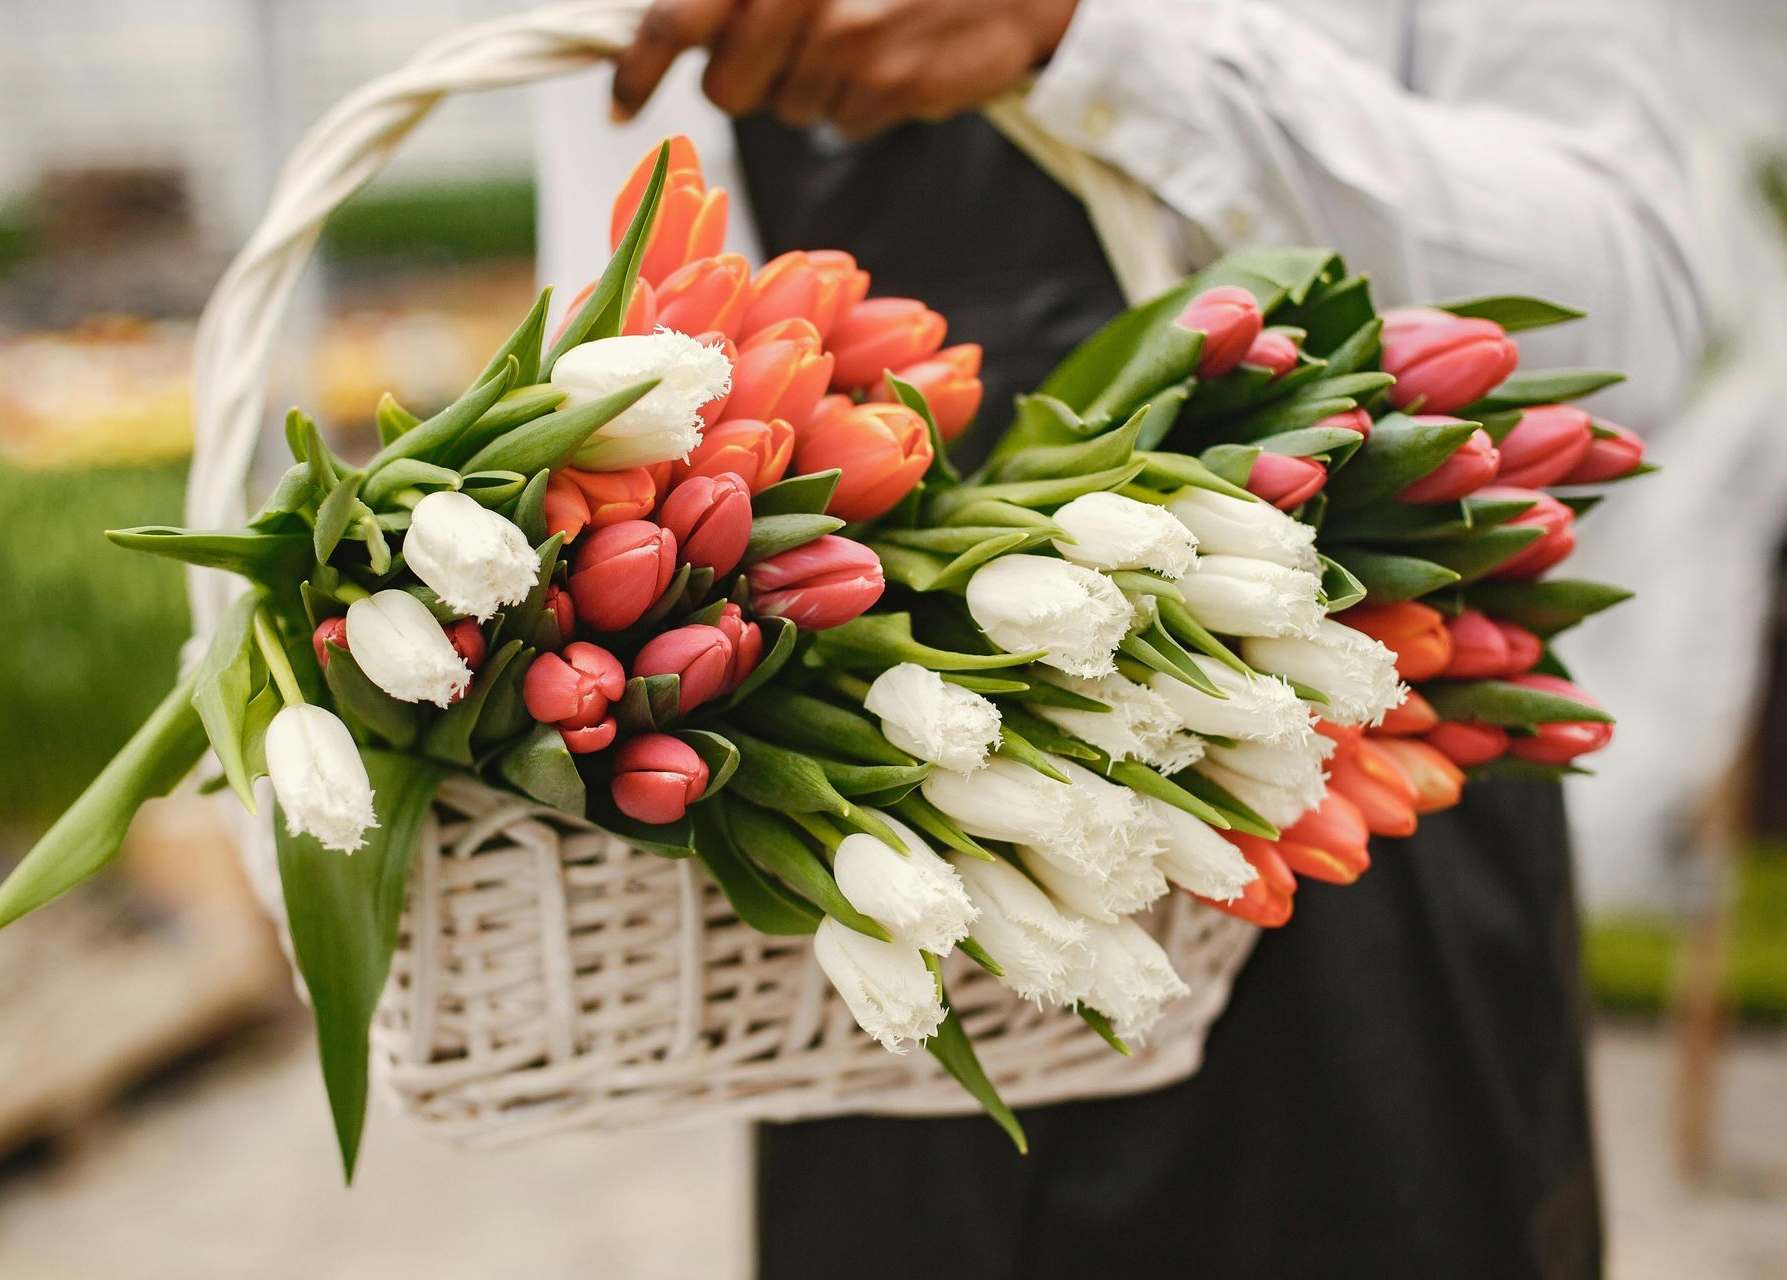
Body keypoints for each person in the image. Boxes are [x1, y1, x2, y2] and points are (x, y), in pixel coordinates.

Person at [532, 2, 1707, 1276]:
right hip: (896, 877)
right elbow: (622, 367)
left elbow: (1625, 315)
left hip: (1357, 804)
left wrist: (1088, 46)